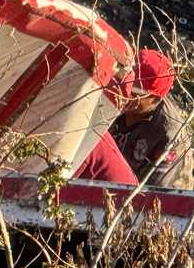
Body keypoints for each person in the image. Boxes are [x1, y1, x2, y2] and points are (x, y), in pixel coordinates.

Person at [77, 48, 192, 189]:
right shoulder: (114, 93)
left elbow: (156, 193)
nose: (123, 93)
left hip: (130, 195)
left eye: (134, 92)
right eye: (123, 84)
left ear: (155, 99)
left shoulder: (170, 135)